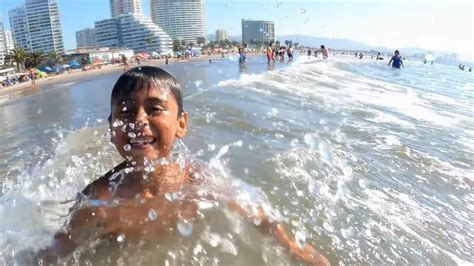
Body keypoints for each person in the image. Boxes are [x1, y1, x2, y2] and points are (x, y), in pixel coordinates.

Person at [33, 66, 330, 265]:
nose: (138, 120)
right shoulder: (99, 196)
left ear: (181, 124)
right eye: (126, 111)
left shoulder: (197, 177)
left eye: (154, 109)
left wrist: (292, 247)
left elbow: (255, 214)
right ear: (112, 128)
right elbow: (59, 249)